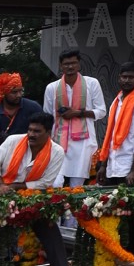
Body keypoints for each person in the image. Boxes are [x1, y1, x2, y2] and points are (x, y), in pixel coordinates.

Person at [0, 109, 80, 266]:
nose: (31, 134)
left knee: (49, 226)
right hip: (0, 197)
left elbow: (44, 183)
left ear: (48, 133)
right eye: (30, 130)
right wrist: (1, 186)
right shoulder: (13, 141)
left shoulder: (57, 151)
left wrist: (13, 187)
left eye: (37, 131)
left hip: (31, 199)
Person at [42, 48, 106, 182]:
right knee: (55, 183)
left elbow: (101, 111)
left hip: (83, 142)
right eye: (66, 64)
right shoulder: (52, 88)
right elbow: (47, 117)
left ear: (79, 64)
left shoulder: (92, 83)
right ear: (60, 66)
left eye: (73, 63)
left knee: (77, 184)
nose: (70, 66)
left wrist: (78, 113)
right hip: (58, 141)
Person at [97, 66, 134, 182]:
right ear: (119, 79)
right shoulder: (116, 102)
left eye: (131, 77)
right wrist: (103, 165)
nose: (127, 80)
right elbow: (110, 136)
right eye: (124, 77)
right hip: (112, 167)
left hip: (130, 168)